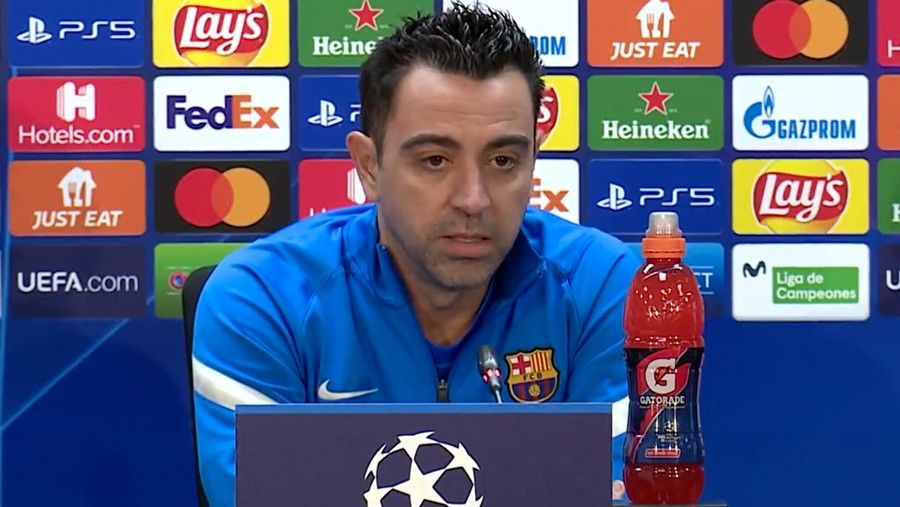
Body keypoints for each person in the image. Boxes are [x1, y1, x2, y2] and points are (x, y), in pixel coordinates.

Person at [191, 3, 640, 506]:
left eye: (502, 160)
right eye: (434, 160)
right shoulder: (262, 299)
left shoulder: (604, 286)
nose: (473, 199)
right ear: (369, 166)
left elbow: (626, 492)